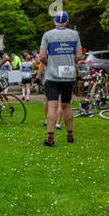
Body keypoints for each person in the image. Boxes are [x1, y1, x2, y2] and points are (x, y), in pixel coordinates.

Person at [39, 11, 83, 147]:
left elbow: (41, 57)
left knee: (52, 104)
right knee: (66, 105)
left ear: (54, 21)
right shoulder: (74, 35)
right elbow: (79, 56)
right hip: (68, 74)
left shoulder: (48, 35)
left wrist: (50, 63)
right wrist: (69, 60)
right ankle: (70, 136)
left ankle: (50, 138)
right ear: (67, 22)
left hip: (52, 75)